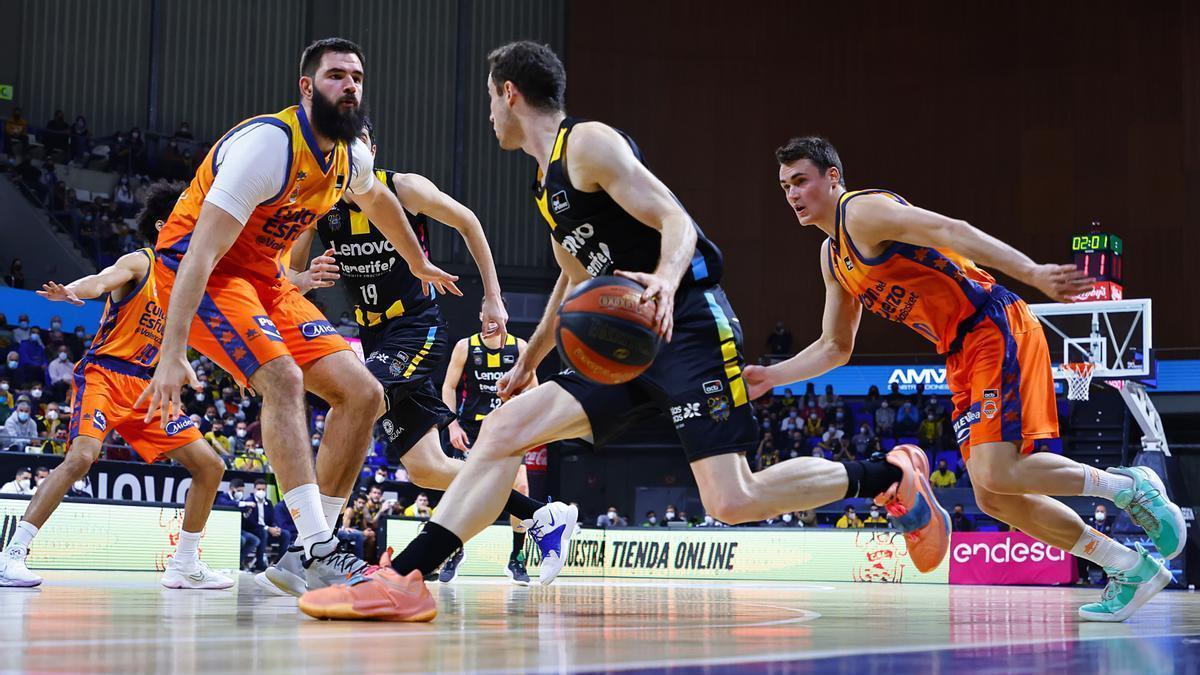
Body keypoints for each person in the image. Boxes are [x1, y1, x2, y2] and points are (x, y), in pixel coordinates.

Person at [299, 42, 946, 622]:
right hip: (624, 341)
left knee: (732, 497)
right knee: (503, 429)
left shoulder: (589, 145)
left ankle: (884, 476)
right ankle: (407, 578)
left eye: (490, 100)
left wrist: (663, 281)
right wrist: (533, 356)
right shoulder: (545, 181)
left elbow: (676, 220)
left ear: (508, 93)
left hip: (685, 321)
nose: (490, 115)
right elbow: (573, 278)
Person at [751, 135, 1185, 621]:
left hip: (992, 324)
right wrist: (770, 376)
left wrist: (1033, 272)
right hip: (959, 352)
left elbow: (949, 229)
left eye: (801, 181)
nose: (792, 194)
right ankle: (1128, 566)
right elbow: (836, 347)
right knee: (992, 496)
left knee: (998, 471)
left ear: (832, 178)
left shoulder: (862, 212)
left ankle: (1129, 486)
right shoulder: (833, 258)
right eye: (785, 185)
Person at [137, 38, 460, 598]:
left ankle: (307, 551)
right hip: (203, 272)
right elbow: (198, 255)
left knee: (362, 393)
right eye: (336, 76)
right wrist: (171, 354)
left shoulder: (351, 154)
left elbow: (381, 204)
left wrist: (417, 261)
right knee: (282, 377)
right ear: (307, 88)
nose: (350, 85)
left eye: (357, 76)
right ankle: (319, 548)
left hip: (264, 277)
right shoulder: (269, 146)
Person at [278, 119, 566, 592]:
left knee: (350, 402)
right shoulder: (320, 202)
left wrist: (493, 297)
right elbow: (286, 276)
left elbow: (469, 221)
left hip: (417, 326)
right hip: (374, 336)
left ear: (371, 149)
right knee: (427, 467)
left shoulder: (403, 188)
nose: (351, 153)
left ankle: (311, 545)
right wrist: (307, 276)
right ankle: (540, 517)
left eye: (359, 144)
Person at [0, 182, 233, 589]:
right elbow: (101, 280)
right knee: (81, 458)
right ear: (166, 225)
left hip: (148, 387)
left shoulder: (190, 280)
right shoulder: (140, 262)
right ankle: (13, 554)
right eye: (186, 215)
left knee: (210, 466)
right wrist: (72, 291)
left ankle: (184, 564)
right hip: (106, 374)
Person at [442, 315, 548, 585]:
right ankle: (454, 548)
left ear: (505, 318)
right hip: (471, 429)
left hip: (507, 429)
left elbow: (534, 391)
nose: (490, 321)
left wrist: (525, 418)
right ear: (479, 317)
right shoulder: (465, 346)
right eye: (486, 317)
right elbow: (449, 386)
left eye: (496, 317)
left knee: (522, 488)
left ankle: (517, 557)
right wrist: (452, 425)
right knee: (459, 490)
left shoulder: (520, 347)